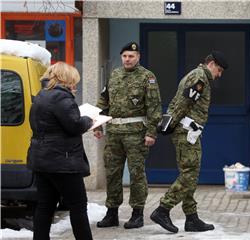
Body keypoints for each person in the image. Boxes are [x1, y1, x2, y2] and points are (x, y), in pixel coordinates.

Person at [150, 51, 228, 233]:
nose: (219, 74)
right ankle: (163, 209)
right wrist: (170, 124)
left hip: (187, 131)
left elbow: (179, 102)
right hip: (186, 131)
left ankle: (191, 218)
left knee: (189, 173)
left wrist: (170, 123)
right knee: (190, 174)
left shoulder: (198, 76)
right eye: (220, 70)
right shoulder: (199, 78)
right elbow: (183, 103)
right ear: (212, 64)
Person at [94, 41, 162, 229]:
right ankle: (112, 213)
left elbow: (154, 108)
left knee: (136, 174)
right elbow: (103, 101)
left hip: (136, 135)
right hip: (114, 133)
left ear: (138, 57)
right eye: (124, 56)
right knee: (112, 174)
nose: (127, 59)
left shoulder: (147, 77)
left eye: (131, 56)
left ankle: (137, 214)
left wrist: (151, 133)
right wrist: (97, 125)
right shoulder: (114, 75)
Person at [27, 62, 93, 240]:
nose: (75, 84)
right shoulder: (62, 98)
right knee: (78, 206)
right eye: (74, 80)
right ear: (67, 79)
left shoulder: (42, 95)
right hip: (63, 162)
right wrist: (89, 120)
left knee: (45, 206)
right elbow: (74, 126)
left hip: (42, 160)